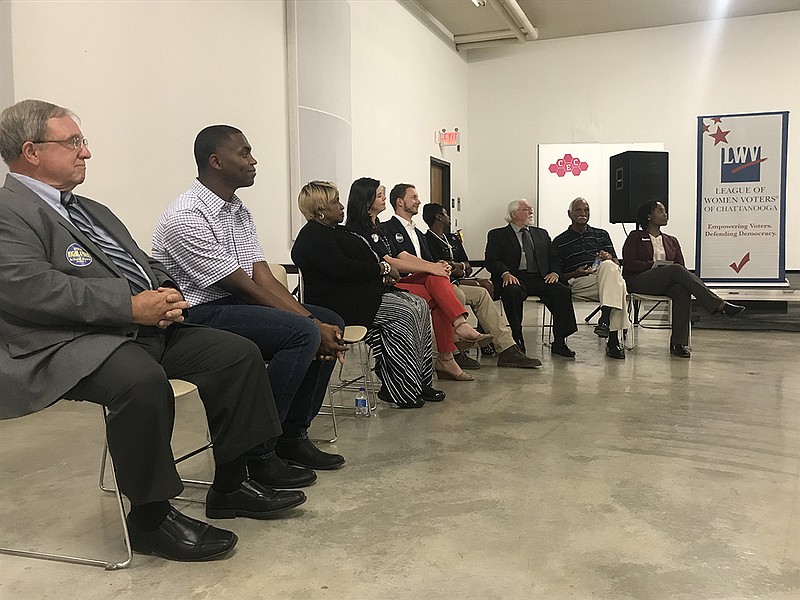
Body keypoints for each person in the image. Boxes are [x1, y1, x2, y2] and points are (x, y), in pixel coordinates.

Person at [0, 99, 305, 563]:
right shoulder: (10, 212)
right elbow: (29, 289)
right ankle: (150, 516)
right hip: (65, 341)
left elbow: (143, 259)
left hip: (135, 328)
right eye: (74, 142)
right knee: (140, 382)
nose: (86, 152)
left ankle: (233, 483)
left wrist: (163, 291)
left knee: (237, 354)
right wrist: (128, 306)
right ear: (32, 151)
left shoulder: (90, 209)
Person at [152, 125, 348, 486]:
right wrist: (309, 325)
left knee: (327, 319)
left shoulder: (238, 210)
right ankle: (259, 450)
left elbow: (264, 278)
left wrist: (313, 320)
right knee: (304, 332)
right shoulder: (186, 214)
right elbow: (239, 284)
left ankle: (292, 435)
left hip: (232, 303)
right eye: (244, 153)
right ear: (216, 162)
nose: (253, 160)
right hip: (194, 314)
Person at [291, 180, 445, 409]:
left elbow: (367, 258)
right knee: (405, 312)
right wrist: (381, 270)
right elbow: (343, 268)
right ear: (320, 210)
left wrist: (382, 274)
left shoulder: (338, 231)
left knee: (419, 305)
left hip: (363, 295)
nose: (342, 206)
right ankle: (399, 389)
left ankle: (419, 381)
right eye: (335, 202)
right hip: (339, 305)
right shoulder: (312, 236)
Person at [347, 178, 492, 381]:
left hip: (404, 280)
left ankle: (455, 341)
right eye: (379, 195)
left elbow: (403, 256)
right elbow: (392, 261)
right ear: (366, 199)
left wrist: (436, 266)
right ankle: (450, 350)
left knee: (437, 279)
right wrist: (433, 267)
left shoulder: (378, 227)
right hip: (383, 287)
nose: (383, 199)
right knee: (440, 294)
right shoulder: (363, 230)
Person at [422, 202, 540, 369]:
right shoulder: (425, 240)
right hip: (440, 284)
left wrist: (459, 267)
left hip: (455, 280)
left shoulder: (452, 238)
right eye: (446, 214)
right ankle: (455, 350)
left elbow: (466, 265)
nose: (449, 217)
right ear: (439, 217)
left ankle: (506, 348)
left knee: (482, 292)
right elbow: (438, 267)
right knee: (459, 294)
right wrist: (456, 267)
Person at [621, 200, 745, 358]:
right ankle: (718, 304)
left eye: (665, 211)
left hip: (665, 283)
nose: (665, 214)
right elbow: (629, 263)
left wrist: (667, 270)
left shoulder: (671, 240)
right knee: (675, 269)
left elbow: (681, 267)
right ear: (649, 216)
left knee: (681, 290)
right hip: (640, 281)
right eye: (660, 211)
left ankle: (678, 343)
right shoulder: (635, 237)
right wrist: (652, 265)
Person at [485, 199, 578, 357]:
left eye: (531, 209)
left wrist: (555, 272)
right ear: (513, 214)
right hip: (513, 276)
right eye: (526, 209)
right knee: (512, 292)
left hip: (539, 277)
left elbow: (554, 258)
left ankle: (560, 341)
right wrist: (505, 273)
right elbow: (491, 260)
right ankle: (517, 338)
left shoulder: (541, 233)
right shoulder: (497, 235)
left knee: (562, 292)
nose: (531, 212)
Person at [552, 197, 630, 360]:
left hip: (602, 279)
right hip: (578, 283)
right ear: (569, 214)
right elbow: (558, 275)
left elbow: (616, 263)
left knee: (610, 268)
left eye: (586, 210)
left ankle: (605, 322)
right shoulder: (559, 241)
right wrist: (575, 273)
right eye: (578, 210)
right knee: (619, 287)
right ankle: (612, 340)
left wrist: (608, 257)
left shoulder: (601, 235)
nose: (583, 214)